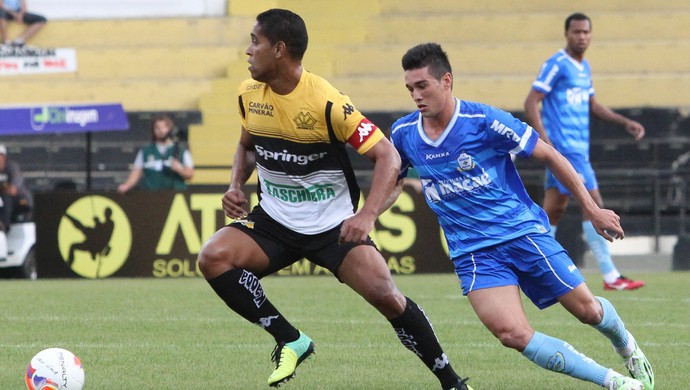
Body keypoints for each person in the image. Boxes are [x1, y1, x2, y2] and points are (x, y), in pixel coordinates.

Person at [196, 9, 471, 390]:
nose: (248, 50)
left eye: (254, 41)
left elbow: (388, 156)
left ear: (279, 49)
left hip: (332, 228)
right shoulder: (248, 94)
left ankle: (452, 383)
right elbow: (246, 146)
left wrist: (367, 216)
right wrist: (235, 185)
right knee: (213, 257)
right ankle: (290, 338)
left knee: (388, 298)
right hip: (274, 222)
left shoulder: (326, 102)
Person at [387, 43, 654, 390]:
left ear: (446, 80)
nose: (416, 95)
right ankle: (616, 383)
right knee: (512, 333)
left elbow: (550, 155)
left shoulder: (484, 121)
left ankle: (626, 345)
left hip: (520, 232)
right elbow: (390, 184)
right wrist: (365, 217)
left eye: (422, 85)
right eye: (410, 88)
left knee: (589, 312)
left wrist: (592, 207)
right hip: (473, 251)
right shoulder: (404, 134)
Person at [523, 13, 646, 291]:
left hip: (577, 150)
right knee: (595, 205)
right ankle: (610, 275)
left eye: (586, 32)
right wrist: (545, 144)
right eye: (577, 32)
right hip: (566, 149)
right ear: (567, 34)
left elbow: (593, 105)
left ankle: (534, 267)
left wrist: (624, 122)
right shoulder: (557, 64)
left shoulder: (584, 67)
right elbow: (531, 102)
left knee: (553, 210)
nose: (582, 37)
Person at [117, 114, 194, 194]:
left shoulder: (181, 150)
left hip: (175, 194)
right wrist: (126, 185)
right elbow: (136, 171)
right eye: (157, 128)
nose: (161, 130)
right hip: (151, 195)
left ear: (170, 129)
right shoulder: (145, 151)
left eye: (164, 127)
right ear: (153, 130)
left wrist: (179, 169)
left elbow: (190, 174)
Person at [0, 143, 32, 232]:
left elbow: (12, 190)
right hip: (3, 200)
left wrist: (2, 189)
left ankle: (5, 227)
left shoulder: (12, 168)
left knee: (6, 199)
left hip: (20, 201)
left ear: (3, 157)